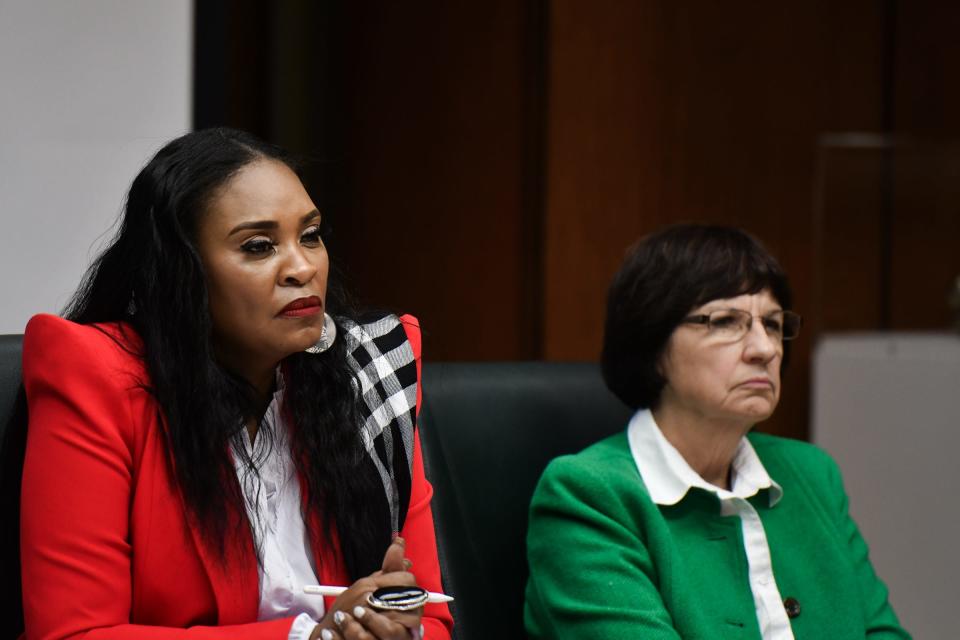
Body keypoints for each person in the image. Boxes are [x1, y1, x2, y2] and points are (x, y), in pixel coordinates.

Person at [20, 128, 453, 640]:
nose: (302, 268)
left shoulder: (369, 372)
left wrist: (393, 627)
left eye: (310, 235)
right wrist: (312, 638)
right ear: (183, 272)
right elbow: (74, 634)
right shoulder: (95, 377)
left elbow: (431, 615)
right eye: (259, 246)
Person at [524, 224, 910, 639]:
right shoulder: (588, 496)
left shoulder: (812, 473)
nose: (764, 349)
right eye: (726, 322)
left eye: (774, 324)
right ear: (653, 347)